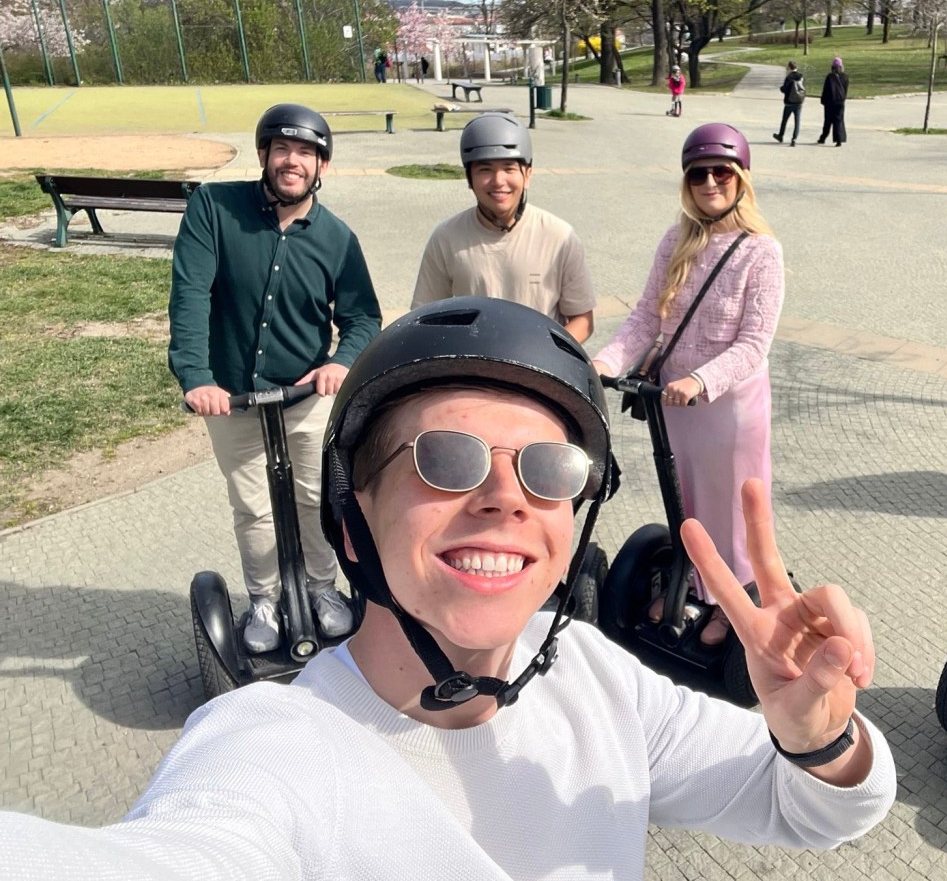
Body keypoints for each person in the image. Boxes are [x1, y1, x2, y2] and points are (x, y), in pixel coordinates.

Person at [0, 297, 897, 879]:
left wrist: (816, 741)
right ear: (355, 522)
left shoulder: (595, 676)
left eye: (550, 469)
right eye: (445, 458)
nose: (506, 494)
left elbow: (816, 811)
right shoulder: (269, 749)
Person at [169, 103, 382, 654]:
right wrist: (196, 376)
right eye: (282, 150)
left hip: (305, 394)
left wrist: (341, 362)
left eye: (306, 153)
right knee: (254, 507)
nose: (293, 162)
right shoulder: (214, 209)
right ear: (264, 155)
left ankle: (322, 588)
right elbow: (190, 295)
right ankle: (263, 598)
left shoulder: (337, 238)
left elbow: (363, 316)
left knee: (317, 499)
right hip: (232, 396)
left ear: (322, 166)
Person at [592, 123, 784, 646]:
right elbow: (643, 321)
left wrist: (701, 380)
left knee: (732, 509)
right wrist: (604, 363)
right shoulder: (675, 241)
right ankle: (690, 583)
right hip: (673, 405)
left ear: (741, 179)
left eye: (722, 171)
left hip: (729, 409)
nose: (710, 182)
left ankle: (737, 598)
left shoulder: (760, 252)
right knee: (688, 502)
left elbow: (754, 344)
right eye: (699, 173)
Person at [410, 112, 596, 343]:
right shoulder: (446, 238)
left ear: (527, 174)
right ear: (469, 179)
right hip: (473, 364)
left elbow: (583, 319)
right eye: (484, 169)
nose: (498, 181)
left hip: (538, 363)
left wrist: (547, 353)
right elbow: (424, 319)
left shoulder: (560, 237)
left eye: (509, 168)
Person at [772, 60, 805, 147]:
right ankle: (794, 139)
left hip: (789, 103)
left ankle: (781, 135)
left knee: (784, 120)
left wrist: (781, 88)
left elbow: (785, 89)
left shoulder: (789, 77)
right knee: (797, 121)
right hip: (799, 102)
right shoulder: (801, 76)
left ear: (790, 68)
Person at [817, 57, 848, 146]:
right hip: (840, 102)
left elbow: (825, 90)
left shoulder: (830, 77)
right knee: (838, 120)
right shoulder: (845, 77)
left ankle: (823, 138)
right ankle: (839, 140)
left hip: (830, 102)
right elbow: (845, 90)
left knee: (828, 121)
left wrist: (823, 100)